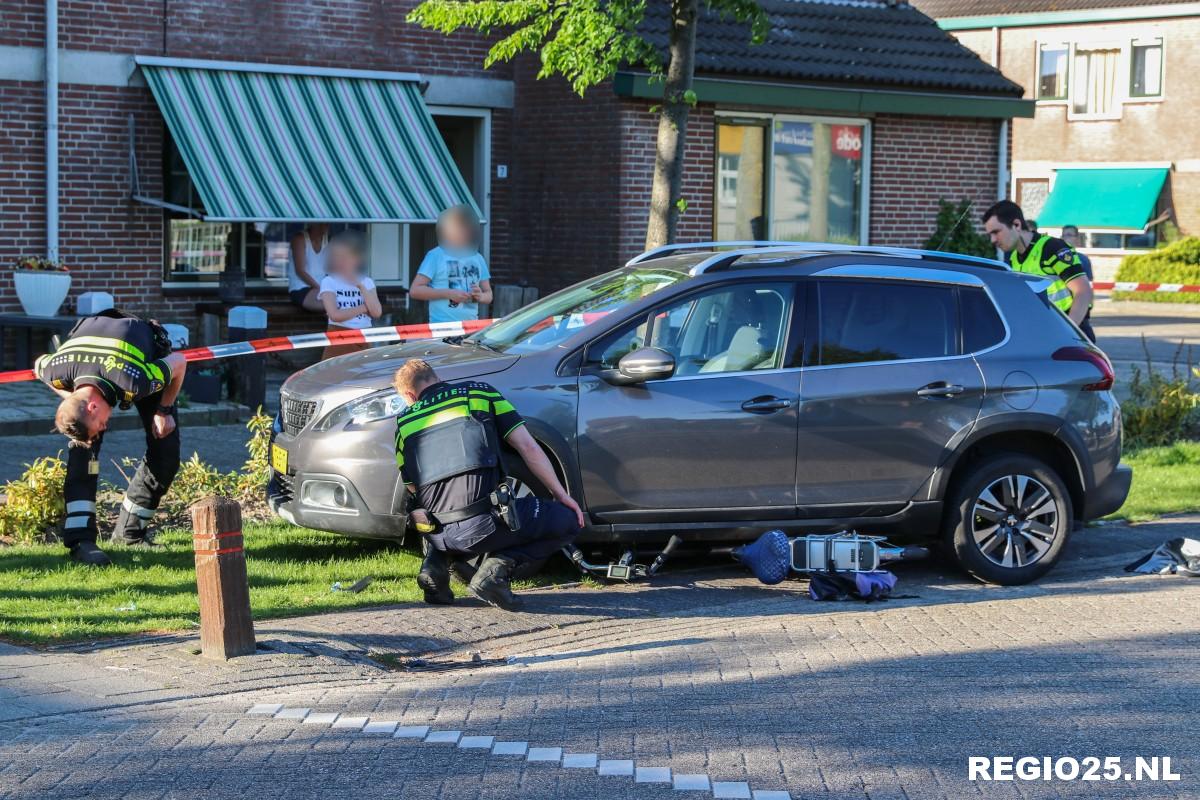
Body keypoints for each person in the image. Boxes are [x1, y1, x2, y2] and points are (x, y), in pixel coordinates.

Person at [392, 358, 583, 610]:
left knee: (447, 514)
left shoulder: (403, 423)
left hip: (440, 535)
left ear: (409, 394)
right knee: (568, 520)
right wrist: (561, 494)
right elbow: (527, 446)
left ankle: (434, 567)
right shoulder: (479, 393)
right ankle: (495, 571)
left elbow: (412, 487)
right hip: (486, 525)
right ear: (435, 377)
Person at [33, 311, 187, 566]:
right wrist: (71, 398)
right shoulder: (56, 370)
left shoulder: (134, 381)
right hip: (90, 364)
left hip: (141, 358)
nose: (106, 427)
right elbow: (39, 364)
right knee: (83, 456)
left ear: (93, 407)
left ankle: (130, 534)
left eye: (100, 424)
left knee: (165, 453)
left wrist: (164, 410)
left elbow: (179, 362)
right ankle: (81, 541)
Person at [983, 200, 1096, 342]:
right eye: (989, 235)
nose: (992, 240)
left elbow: (1083, 291)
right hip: (1043, 335)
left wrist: (1065, 333)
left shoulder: (1052, 247)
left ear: (1016, 225)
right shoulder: (1013, 259)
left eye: (996, 232)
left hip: (1071, 336)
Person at [409, 206, 493, 324]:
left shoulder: (478, 257)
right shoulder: (435, 255)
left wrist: (480, 296)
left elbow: (488, 294)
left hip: (471, 329)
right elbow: (415, 291)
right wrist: (448, 293)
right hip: (441, 329)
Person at [318, 230, 382, 360]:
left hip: (364, 335)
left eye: (345, 257)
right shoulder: (329, 281)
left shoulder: (367, 282)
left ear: (357, 259)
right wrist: (365, 307)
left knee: (362, 375)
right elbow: (335, 315)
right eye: (336, 257)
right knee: (335, 374)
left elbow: (376, 312)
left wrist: (361, 287)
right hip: (339, 335)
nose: (341, 262)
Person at [287, 222, 330, 313]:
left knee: (343, 302)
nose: (325, 227)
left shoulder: (326, 239)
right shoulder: (300, 239)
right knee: (330, 305)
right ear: (313, 223)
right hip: (301, 288)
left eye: (326, 224)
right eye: (322, 224)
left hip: (320, 288)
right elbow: (300, 271)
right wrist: (321, 289)